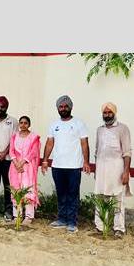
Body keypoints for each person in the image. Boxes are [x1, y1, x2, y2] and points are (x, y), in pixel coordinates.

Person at [41, 95, 90, 233]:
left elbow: (84, 143)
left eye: (65, 106)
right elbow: (50, 143)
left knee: (72, 194)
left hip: (74, 166)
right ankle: (62, 219)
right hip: (57, 165)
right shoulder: (54, 125)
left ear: (70, 107)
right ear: (57, 108)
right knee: (61, 193)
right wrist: (45, 160)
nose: (63, 109)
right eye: (60, 107)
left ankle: (72, 222)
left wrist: (86, 162)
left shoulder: (79, 123)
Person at [93, 102, 132, 237]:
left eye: (110, 112)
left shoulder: (123, 129)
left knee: (117, 198)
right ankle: (99, 226)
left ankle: (119, 228)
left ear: (114, 113)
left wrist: (126, 172)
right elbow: (97, 151)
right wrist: (96, 170)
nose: (107, 115)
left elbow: (127, 153)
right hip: (101, 168)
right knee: (100, 196)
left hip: (117, 168)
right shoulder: (100, 129)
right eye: (105, 113)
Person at [9, 116, 41, 225]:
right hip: (15, 167)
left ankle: (28, 216)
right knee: (16, 190)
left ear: (29, 124)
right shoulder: (14, 137)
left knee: (28, 190)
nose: (23, 125)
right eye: (21, 123)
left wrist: (22, 162)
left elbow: (33, 152)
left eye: (25, 123)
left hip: (28, 167)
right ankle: (17, 215)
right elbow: (11, 151)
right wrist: (16, 163)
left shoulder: (34, 137)